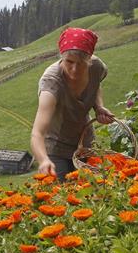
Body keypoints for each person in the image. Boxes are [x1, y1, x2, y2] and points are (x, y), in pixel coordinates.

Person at [30, 27, 115, 181]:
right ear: (61, 57)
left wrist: (98, 107)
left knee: (91, 191)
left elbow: (95, 84)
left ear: (89, 59)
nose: (74, 69)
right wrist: (43, 160)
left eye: (81, 63)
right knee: (61, 195)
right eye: (69, 62)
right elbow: (37, 133)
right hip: (55, 148)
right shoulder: (51, 83)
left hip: (85, 144)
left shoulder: (96, 67)